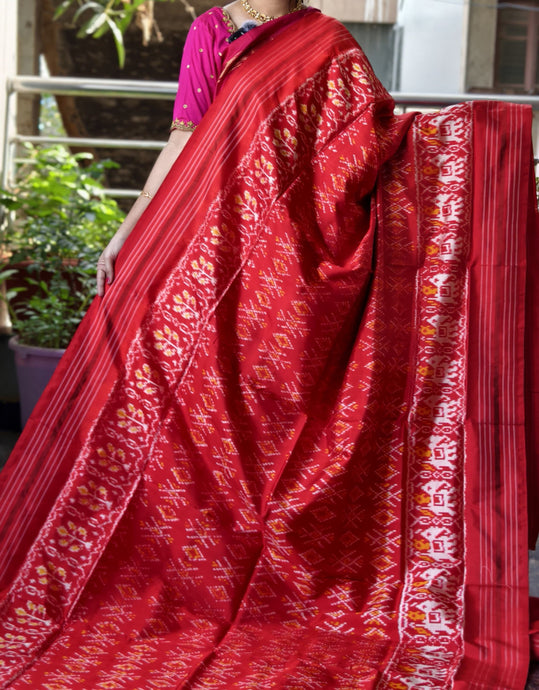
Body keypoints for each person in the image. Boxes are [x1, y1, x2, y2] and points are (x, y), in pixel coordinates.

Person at [0, 1, 537, 688]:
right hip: (208, 245)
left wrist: (468, 141)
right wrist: (129, 231)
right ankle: (180, 582)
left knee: (272, 424)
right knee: (185, 414)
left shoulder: (326, 40)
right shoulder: (211, 32)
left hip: (292, 262)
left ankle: (281, 582)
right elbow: (182, 140)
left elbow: (370, 146)